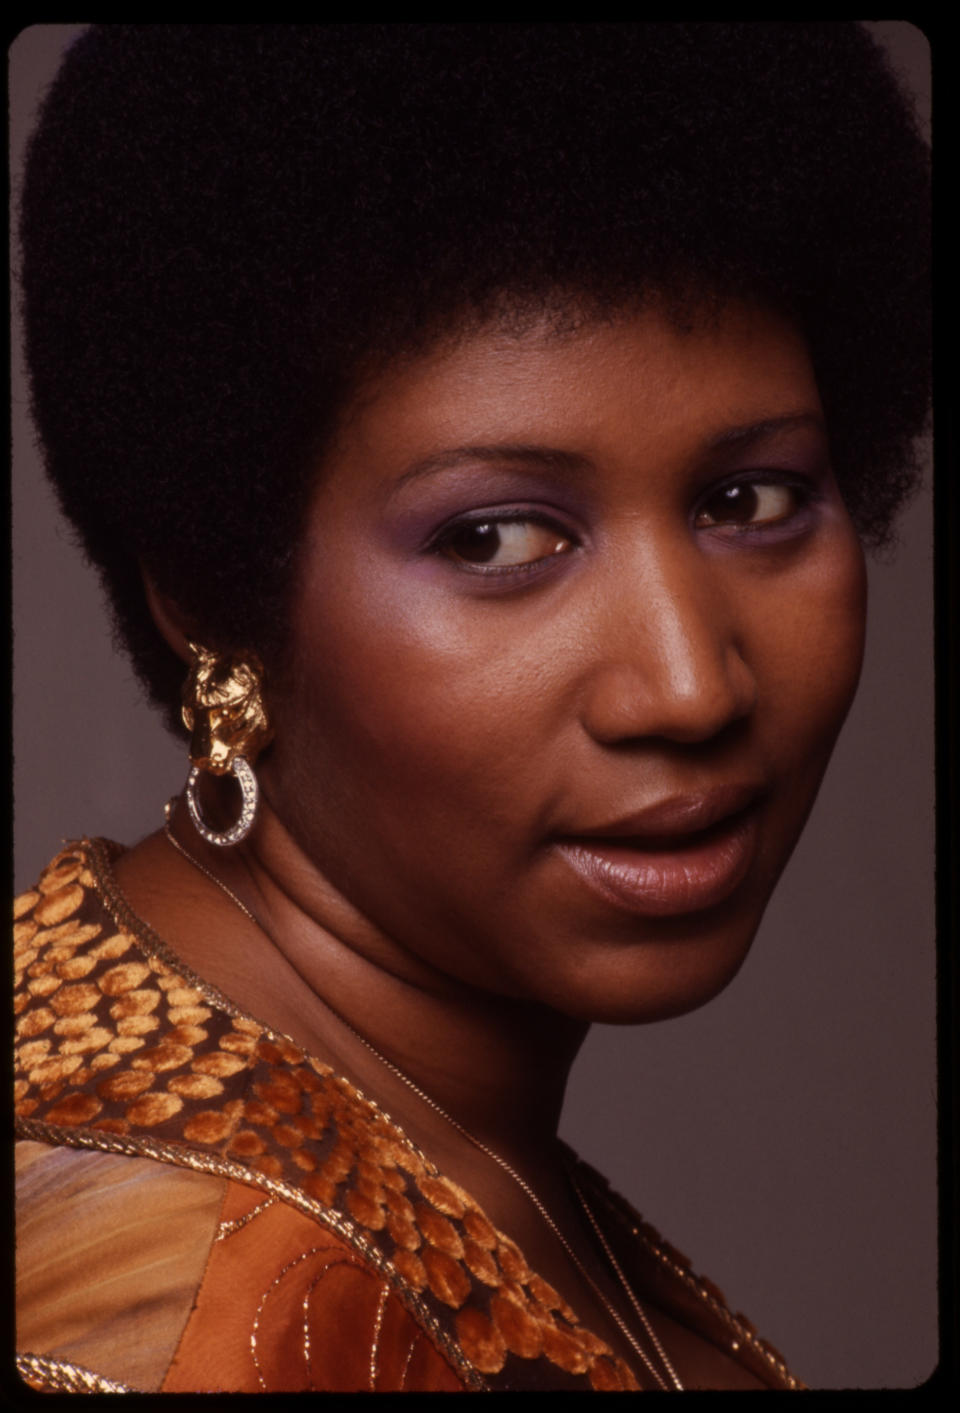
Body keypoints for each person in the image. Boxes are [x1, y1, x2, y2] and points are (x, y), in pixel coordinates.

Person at [13, 24, 930, 1393]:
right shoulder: (215, 1303)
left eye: (751, 501)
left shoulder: (406, 1144)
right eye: (500, 539)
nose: (690, 684)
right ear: (214, 593)